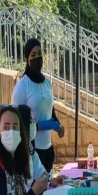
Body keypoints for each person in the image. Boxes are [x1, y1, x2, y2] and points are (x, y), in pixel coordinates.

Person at [11, 38, 65, 172]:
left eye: (40, 54)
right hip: (32, 150)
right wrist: (39, 126)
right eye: (33, 55)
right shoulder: (22, 86)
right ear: (27, 59)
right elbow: (16, 121)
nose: (37, 58)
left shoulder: (47, 83)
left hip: (48, 148)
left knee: (49, 183)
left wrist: (58, 126)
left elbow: (50, 110)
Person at [16, 104, 63, 188]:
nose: (34, 124)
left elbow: (41, 171)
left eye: (34, 120)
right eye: (31, 121)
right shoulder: (15, 151)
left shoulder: (30, 147)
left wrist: (49, 179)